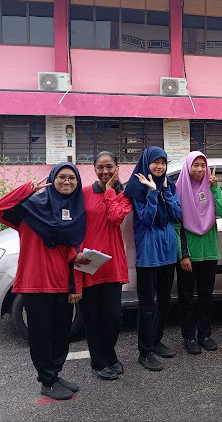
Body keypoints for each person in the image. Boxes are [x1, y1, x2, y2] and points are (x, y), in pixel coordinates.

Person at [0, 162, 86, 400]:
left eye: (72, 178)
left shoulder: (74, 214)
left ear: (77, 183)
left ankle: (55, 373)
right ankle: (47, 381)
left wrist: (76, 272)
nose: (67, 181)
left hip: (61, 283)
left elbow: (70, 250)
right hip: (35, 283)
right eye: (62, 177)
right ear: (53, 179)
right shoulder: (28, 209)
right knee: (41, 336)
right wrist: (28, 189)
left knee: (62, 334)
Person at [124, 147, 182, 371]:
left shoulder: (169, 185)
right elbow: (147, 218)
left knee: (165, 300)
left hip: (168, 251)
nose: (159, 166)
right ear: (146, 163)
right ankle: (144, 351)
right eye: (155, 162)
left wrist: (164, 191)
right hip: (148, 253)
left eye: (163, 162)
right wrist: (152, 192)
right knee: (147, 304)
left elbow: (177, 213)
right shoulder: (137, 188)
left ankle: (156, 340)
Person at [80, 151, 132, 381]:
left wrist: (110, 190)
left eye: (109, 166)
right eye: (100, 167)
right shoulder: (83, 193)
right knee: (92, 318)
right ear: (94, 169)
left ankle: (109, 354)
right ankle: (99, 361)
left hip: (112, 264)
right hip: (89, 264)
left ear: (117, 168)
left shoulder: (123, 196)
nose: (105, 171)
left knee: (113, 317)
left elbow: (114, 218)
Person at [174, 152, 222, 355]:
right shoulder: (179, 190)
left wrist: (215, 188)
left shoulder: (210, 188)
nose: (200, 169)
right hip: (189, 254)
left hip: (210, 252)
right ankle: (189, 336)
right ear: (188, 167)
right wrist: (183, 255)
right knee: (186, 298)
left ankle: (205, 334)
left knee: (206, 297)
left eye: (202, 165)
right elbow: (177, 225)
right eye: (195, 165)